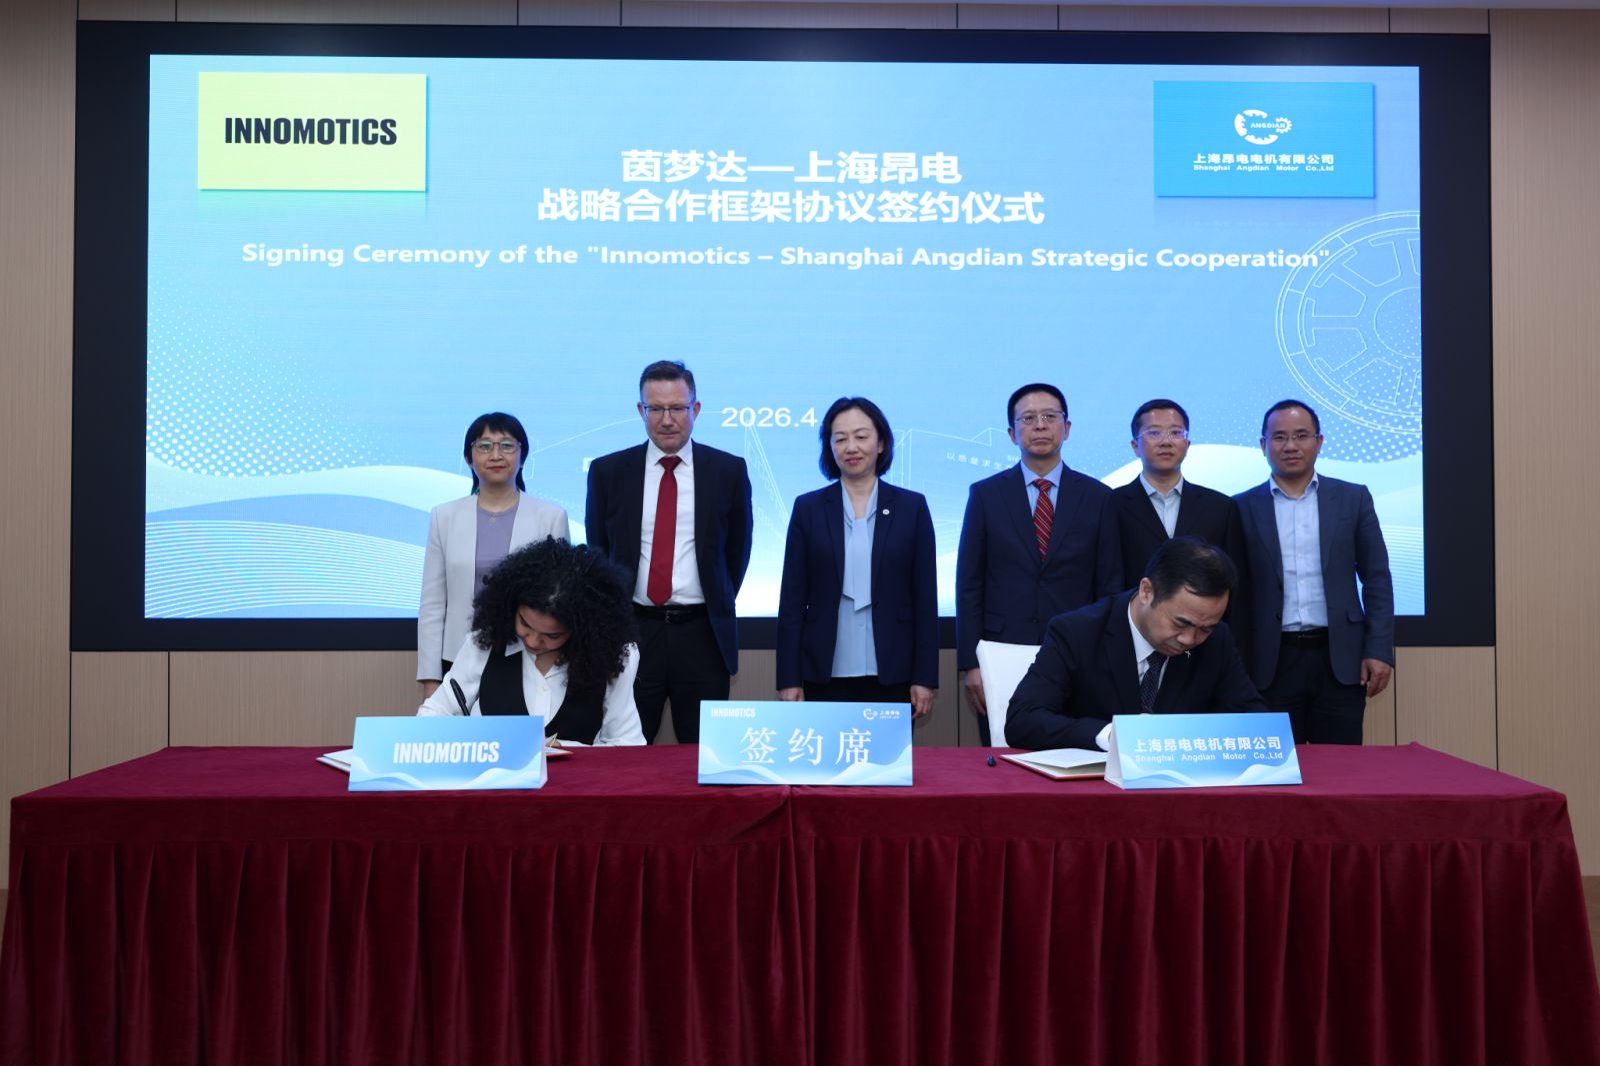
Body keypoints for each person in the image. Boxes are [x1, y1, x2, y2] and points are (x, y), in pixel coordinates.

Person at [584, 361, 753, 743]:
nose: (666, 419)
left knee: (705, 752)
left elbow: (736, 552)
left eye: (677, 408)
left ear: (696, 409)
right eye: (655, 408)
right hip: (633, 631)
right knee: (625, 750)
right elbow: (600, 552)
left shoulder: (727, 471)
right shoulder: (609, 472)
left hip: (702, 635)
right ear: (640, 410)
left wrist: (715, 598)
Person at [955, 383, 1122, 741]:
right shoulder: (985, 495)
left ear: (1067, 428)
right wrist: (971, 663)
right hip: (1001, 651)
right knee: (1004, 752)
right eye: (1028, 419)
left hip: (1078, 654)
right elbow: (969, 584)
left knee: (1075, 750)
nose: (1040, 425)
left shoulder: (1099, 497)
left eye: (1050, 416)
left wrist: (1105, 658)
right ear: (1012, 433)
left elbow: (1109, 585)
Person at [1233, 400, 1394, 745]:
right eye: (1279, 437)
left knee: (1341, 766)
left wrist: (1379, 649)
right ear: (1263, 445)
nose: (1290, 446)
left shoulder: (1353, 499)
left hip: (1339, 660)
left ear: (1319, 442)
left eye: (1301, 435)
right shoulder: (1239, 507)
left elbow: (1377, 578)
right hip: (1270, 662)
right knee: (1274, 765)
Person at [1005, 536, 1264, 751]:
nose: (1189, 639)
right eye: (1180, 623)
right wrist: (1112, 735)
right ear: (1146, 591)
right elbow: (1023, 720)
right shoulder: (1077, 633)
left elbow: (1255, 722)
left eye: (1205, 628)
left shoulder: (1217, 640)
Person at [776, 397, 938, 719]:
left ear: (881, 443)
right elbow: (791, 600)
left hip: (894, 670)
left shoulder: (912, 508)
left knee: (887, 754)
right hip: (824, 669)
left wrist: (925, 677)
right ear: (829, 447)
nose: (851, 447)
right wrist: (788, 678)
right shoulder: (808, 509)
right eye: (840, 439)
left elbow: (925, 599)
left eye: (861, 436)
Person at [417, 538, 645, 745]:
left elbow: (626, 745)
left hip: (577, 779)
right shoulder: (485, 644)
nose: (534, 641)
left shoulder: (612, 658)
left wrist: (566, 748)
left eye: (552, 636)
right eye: (525, 624)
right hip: (493, 776)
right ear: (512, 607)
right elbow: (435, 714)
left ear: (580, 630)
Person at [417, 412, 568, 698]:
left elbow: (557, 604)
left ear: (522, 456)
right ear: (468, 458)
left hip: (526, 656)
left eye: (507, 445)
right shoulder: (444, 517)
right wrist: (430, 678)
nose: (495, 455)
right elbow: (432, 605)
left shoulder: (550, 517)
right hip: (457, 655)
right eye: (484, 446)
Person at [1109, 399, 1250, 641]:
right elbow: (1108, 580)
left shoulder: (1220, 507)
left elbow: (1235, 586)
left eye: (1176, 433)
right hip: (1132, 637)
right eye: (1154, 433)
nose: (1166, 441)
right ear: (1135, 446)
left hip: (1203, 640)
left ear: (1187, 443)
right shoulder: (1111, 504)